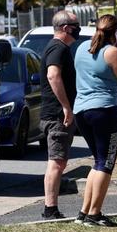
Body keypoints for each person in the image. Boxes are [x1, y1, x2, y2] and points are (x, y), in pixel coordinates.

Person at [73, 15, 117, 226]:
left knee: (98, 161)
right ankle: (94, 214)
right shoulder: (113, 52)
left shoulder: (82, 48)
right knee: (106, 163)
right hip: (104, 111)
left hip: (82, 110)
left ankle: (84, 212)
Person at [39, 11, 80, 219]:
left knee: (58, 161)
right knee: (56, 161)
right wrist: (66, 107)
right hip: (56, 115)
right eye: (75, 25)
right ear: (65, 28)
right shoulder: (58, 48)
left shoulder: (59, 48)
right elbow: (53, 75)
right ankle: (50, 209)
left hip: (54, 113)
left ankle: (51, 208)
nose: (78, 28)